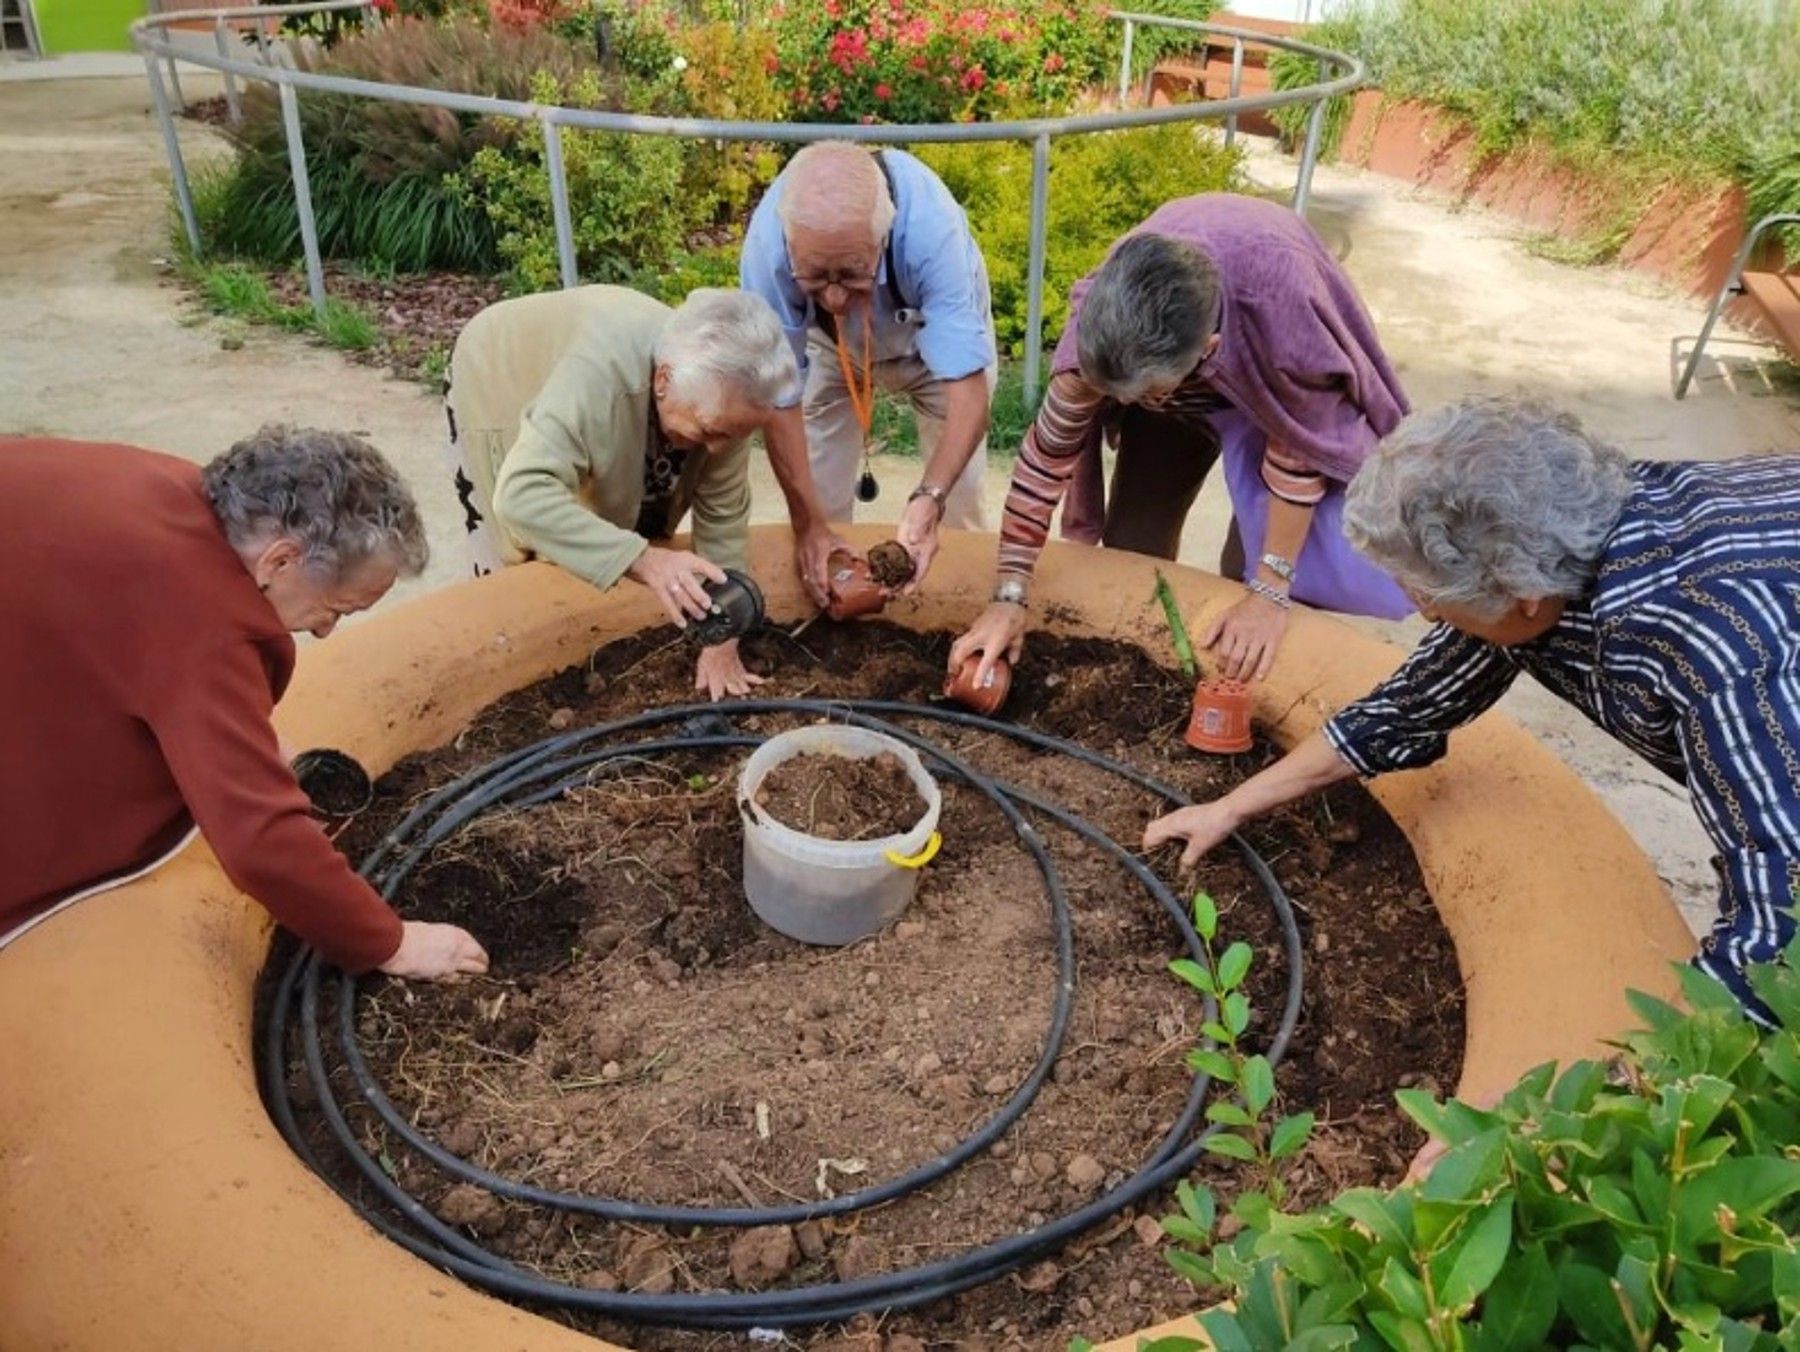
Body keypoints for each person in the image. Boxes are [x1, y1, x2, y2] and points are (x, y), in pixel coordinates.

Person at [1145, 397, 1800, 1029]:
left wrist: (1553, 1122)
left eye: (1426, 595)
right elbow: (1414, 703)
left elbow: (1778, 934)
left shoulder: (1719, 654)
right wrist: (1230, 806)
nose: (1422, 612)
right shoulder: (1558, 541)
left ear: (1521, 596)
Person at [0, 429, 488, 980]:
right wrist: (388, 943)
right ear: (280, 561)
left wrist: (243, 736)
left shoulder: (172, 487)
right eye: (337, 608)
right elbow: (258, 837)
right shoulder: (197, 621)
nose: (326, 632)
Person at [950, 193, 1411, 690]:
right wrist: (1009, 595)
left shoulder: (1282, 312)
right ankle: (1143, 676)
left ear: (1208, 354)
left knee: (1252, 569)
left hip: (1264, 361)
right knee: (1132, 543)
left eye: (1148, 392)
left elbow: (1300, 453)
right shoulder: (1103, 331)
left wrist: (1271, 590)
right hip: (1173, 371)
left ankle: (1234, 689)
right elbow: (1046, 461)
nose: (1134, 402)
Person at [447, 285, 802, 699]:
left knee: (626, 503)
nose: (721, 448)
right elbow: (521, 495)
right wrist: (643, 560)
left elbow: (722, 519)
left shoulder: (727, 399)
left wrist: (722, 638)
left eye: (735, 435)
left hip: (622, 391)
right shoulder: (599, 377)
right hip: (502, 374)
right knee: (516, 546)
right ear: (664, 379)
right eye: (710, 431)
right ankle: (502, 666)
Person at [740, 140, 998, 594]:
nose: (835, 297)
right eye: (815, 277)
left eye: (854, 275)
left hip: (927, 346)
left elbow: (967, 393)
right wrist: (808, 523)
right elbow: (780, 402)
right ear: (791, 244)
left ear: (883, 237)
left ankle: (963, 605)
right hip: (830, 349)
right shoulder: (767, 250)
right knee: (815, 497)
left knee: (958, 499)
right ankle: (831, 586)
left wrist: (930, 496)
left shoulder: (930, 233)